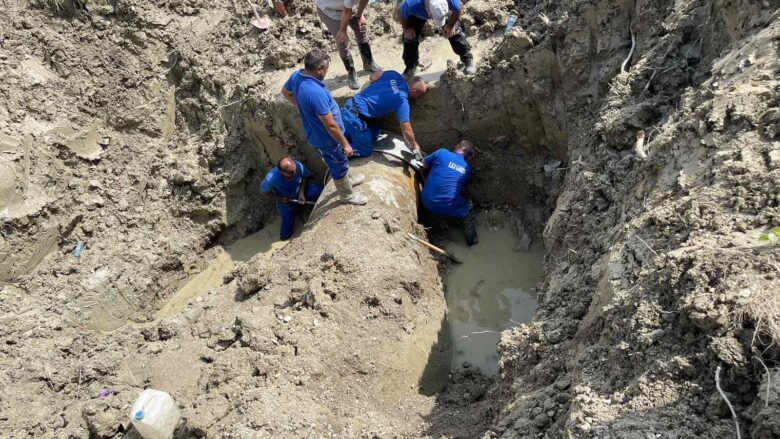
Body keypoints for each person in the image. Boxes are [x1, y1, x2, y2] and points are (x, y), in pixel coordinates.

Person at [281, 48, 367, 205]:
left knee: (339, 161)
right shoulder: (315, 93)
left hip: (317, 134)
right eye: (326, 68)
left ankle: (348, 179)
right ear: (319, 69)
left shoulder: (297, 76)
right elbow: (330, 125)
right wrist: (346, 144)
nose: (327, 72)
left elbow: (285, 92)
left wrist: (301, 107)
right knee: (338, 164)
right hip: (328, 140)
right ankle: (347, 195)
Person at [341, 70, 427, 157]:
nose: (417, 98)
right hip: (353, 117)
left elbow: (373, 76)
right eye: (419, 95)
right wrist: (414, 145)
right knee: (365, 150)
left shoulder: (394, 75)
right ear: (413, 91)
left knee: (375, 133)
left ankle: (347, 135)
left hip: (352, 106)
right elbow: (406, 129)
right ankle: (336, 152)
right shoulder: (402, 102)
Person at [315, 0, 382, 90]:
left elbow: (362, 1)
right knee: (341, 40)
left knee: (360, 27)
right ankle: (351, 72)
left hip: (346, 6)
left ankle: (368, 64)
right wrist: (343, 30)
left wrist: (359, 15)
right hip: (329, 11)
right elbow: (347, 10)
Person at [397, 0, 475, 78]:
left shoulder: (450, 1)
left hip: (442, 11)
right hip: (418, 13)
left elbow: (459, 6)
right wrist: (407, 28)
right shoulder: (412, 4)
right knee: (409, 37)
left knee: (454, 32)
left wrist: (451, 25)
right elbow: (400, 12)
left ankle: (467, 59)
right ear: (428, 10)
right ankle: (411, 66)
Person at [421, 140, 478, 245]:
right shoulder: (467, 169)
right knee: (468, 208)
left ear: (457, 146)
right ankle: (473, 244)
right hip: (445, 204)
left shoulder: (442, 153)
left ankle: (433, 229)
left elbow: (424, 163)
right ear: (469, 155)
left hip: (426, 201)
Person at [261, 156, 323, 240]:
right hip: (285, 201)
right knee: (285, 235)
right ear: (282, 172)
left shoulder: (297, 166)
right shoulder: (271, 178)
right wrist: (280, 199)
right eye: (290, 174)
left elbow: (305, 176)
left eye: (295, 171)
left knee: (320, 191)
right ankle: (297, 212)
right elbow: (265, 192)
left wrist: (301, 192)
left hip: (301, 191)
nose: (294, 174)